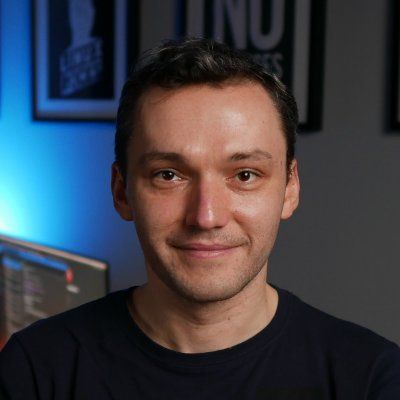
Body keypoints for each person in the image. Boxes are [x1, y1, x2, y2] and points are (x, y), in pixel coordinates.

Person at [1, 38, 399, 399]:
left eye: (245, 175)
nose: (206, 216)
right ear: (121, 192)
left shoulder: (372, 379)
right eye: (168, 175)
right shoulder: (34, 369)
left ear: (289, 188)